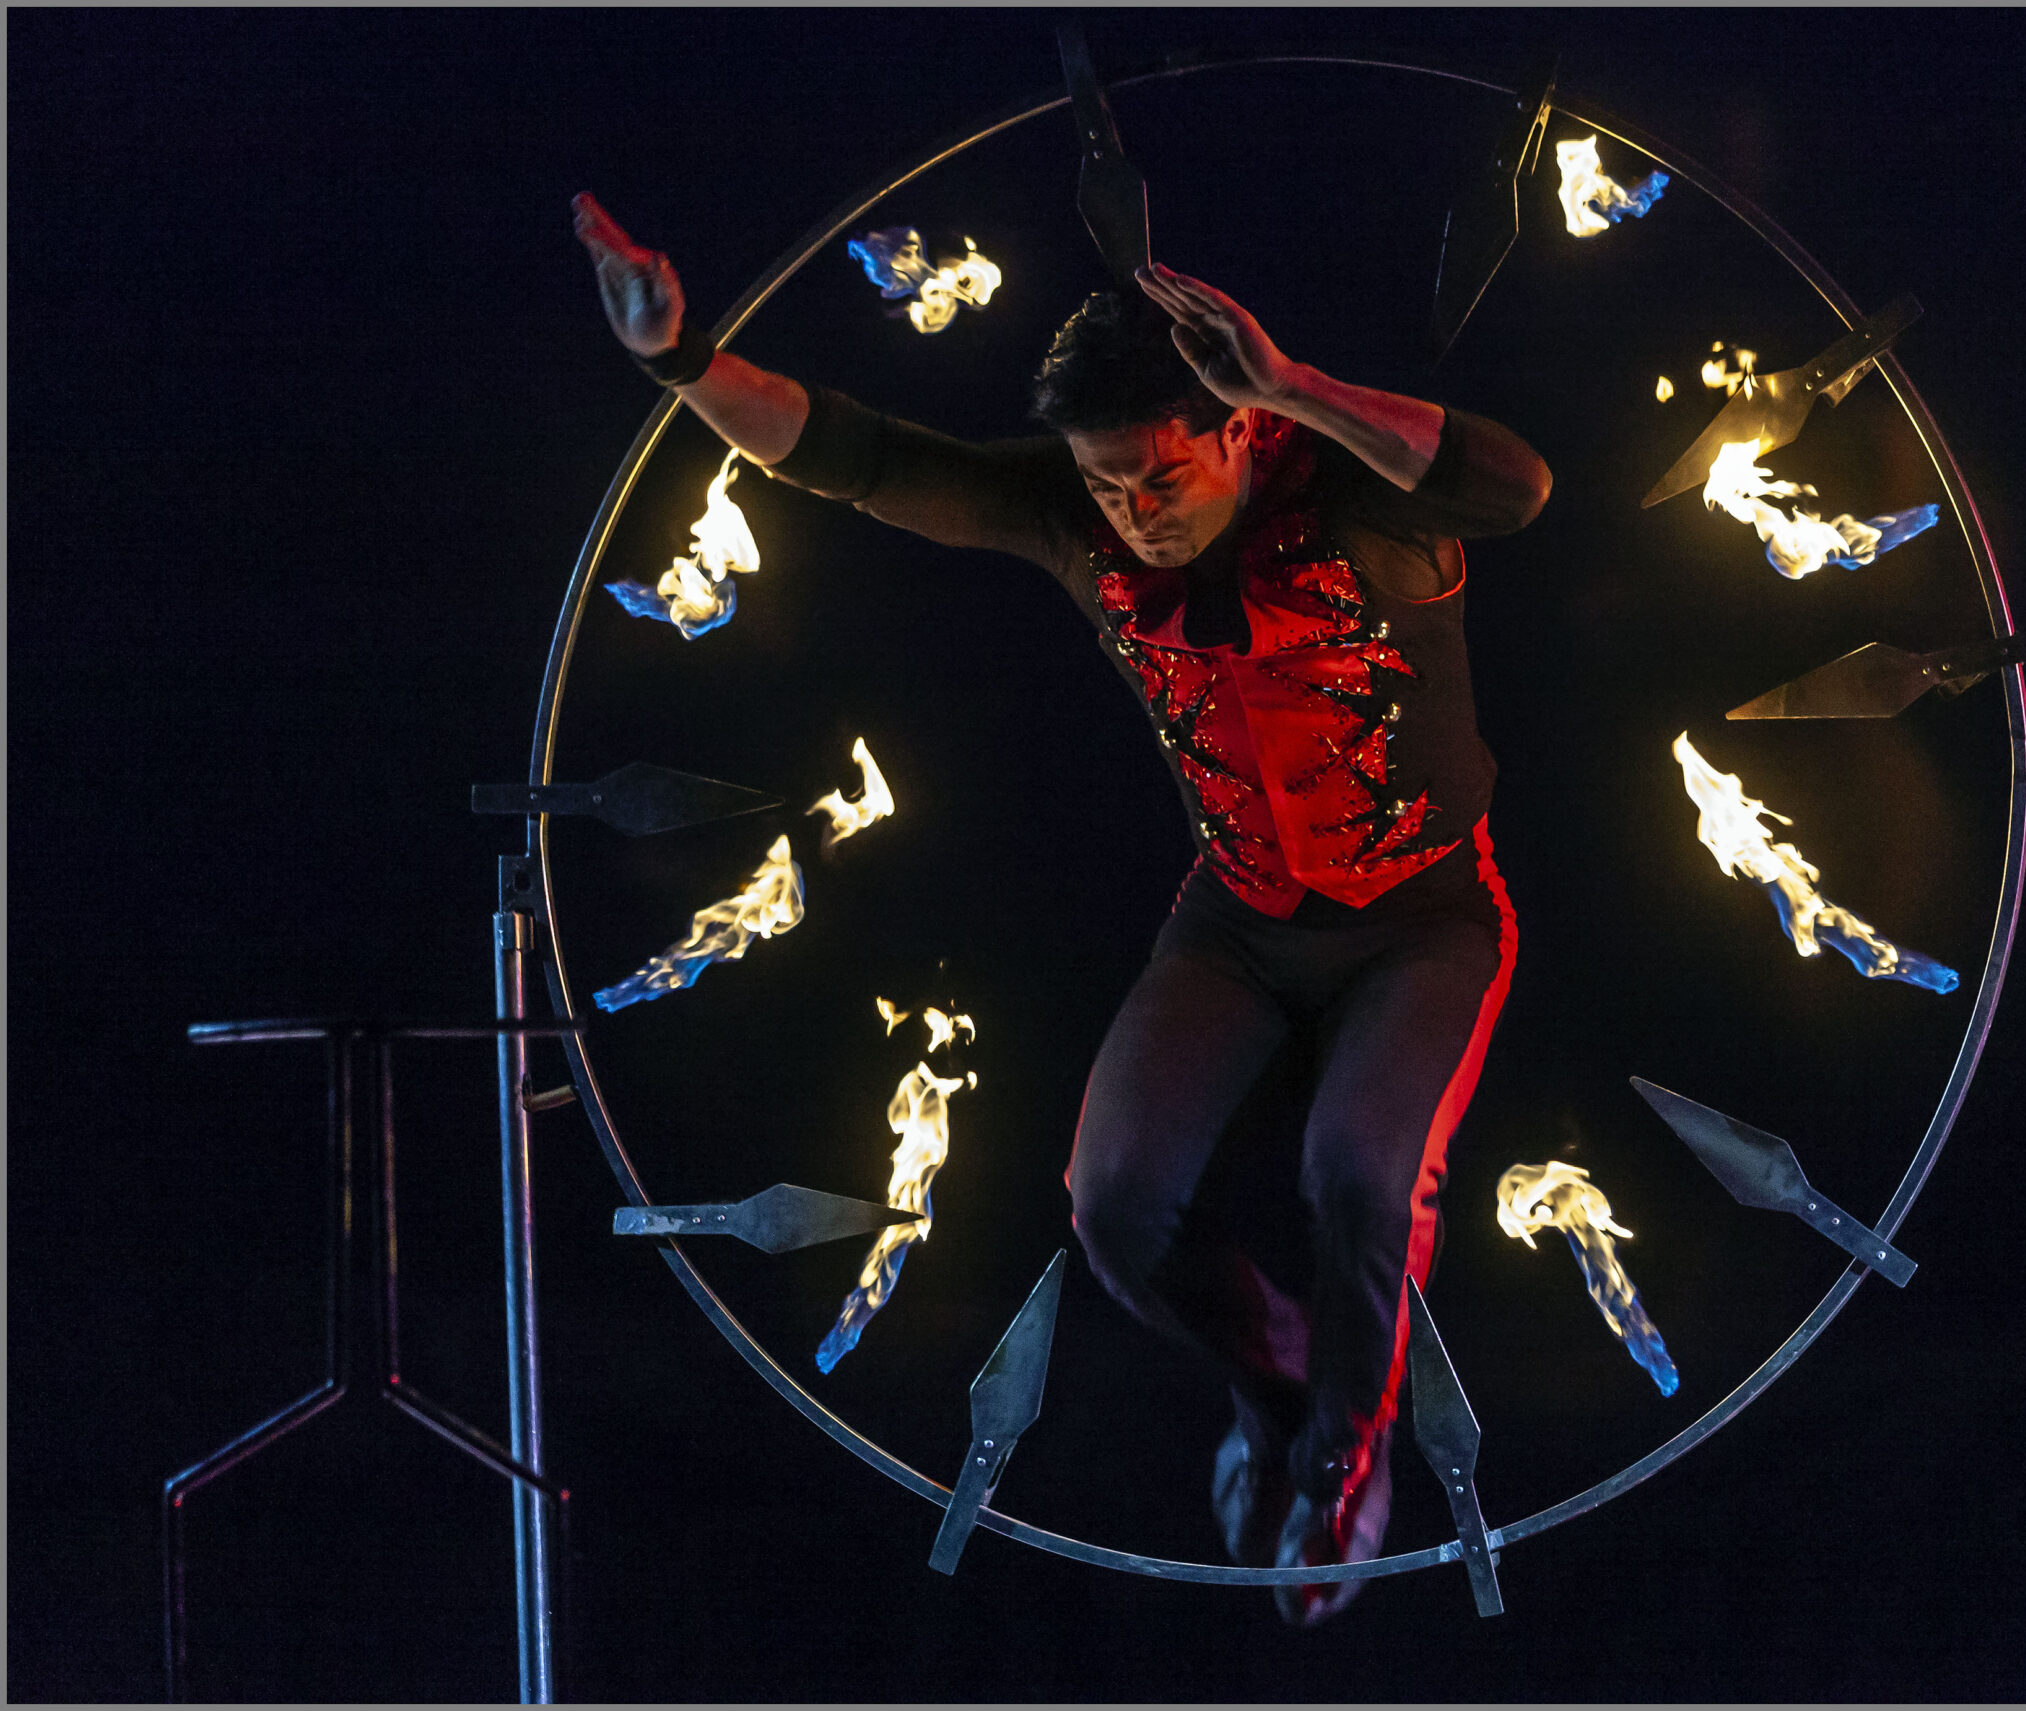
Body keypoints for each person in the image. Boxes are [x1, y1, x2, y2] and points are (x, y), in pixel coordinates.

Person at [574, 192, 1549, 1625]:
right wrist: (679, 360)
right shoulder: (1075, 518)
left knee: (1357, 1172)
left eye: (1158, 475)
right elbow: (859, 456)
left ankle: (1349, 1460)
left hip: (1424, 919)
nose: (1130, 512)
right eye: (1102, 484)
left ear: (1233, 429)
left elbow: (1517, 485)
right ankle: (1278, 1394)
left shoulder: (1348, 489)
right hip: (1235, 918)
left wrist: (1293, 382)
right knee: (1112, 1203)